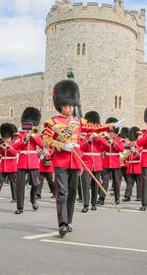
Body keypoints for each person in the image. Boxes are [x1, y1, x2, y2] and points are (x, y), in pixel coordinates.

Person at [42, 79, 118, 237]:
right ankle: (62, 223)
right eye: (67, 105)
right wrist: (62, 146)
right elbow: (46, 140)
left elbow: (94, 127)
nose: (69, 108)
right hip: (61, 161)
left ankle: (68, 221)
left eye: (71, 105)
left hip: (75, 162)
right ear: (61, 105)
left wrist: (111, 126)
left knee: (71, 193)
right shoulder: (53, 122)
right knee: (61, 193)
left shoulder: (79, 122)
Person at [14, 107, 43, 213]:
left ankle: (33, 199)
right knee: (20, 185)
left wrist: (34, 136)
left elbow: (42, 144)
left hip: (33, 161)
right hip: (22, 161)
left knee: (35, 183)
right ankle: (20, 207)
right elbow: (16, 146)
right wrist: (25, 138)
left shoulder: (36, 134)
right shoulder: (19, 134)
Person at [80, 111, 107, 212]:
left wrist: (98, 138)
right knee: (85, 184)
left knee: (96, 185)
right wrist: (88, 141)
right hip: (86, 162)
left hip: (97, 163)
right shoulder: (83, 136)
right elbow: (81, 148)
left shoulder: (99, 136)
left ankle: (94, 203)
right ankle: (86, 204)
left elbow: (106, 145)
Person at [99, 117, 124, 206]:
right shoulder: (105, 139)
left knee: (116, 181)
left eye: (112, 132)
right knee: (105, 181)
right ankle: (101, 198)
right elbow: (101, 149)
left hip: (115, 163)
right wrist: (106, 143)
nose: (111, 133)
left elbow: (121, 149)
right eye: (109, 132)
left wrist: (113, 143)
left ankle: (117, 198)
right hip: (106, 162)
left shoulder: (119, 140)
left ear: (115, 132)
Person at [124, 127, 142, 202]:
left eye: (134, 140)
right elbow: (126, 156)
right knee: (129, 182)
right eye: (133, 140)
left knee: (139, 182)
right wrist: (126, 154)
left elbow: (140, 156)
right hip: (130, 166)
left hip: (138, 166)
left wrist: (135, 152)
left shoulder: (140, 145)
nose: (133, 142)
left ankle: (139, 196)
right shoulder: (130, 144)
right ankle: (127, 196)